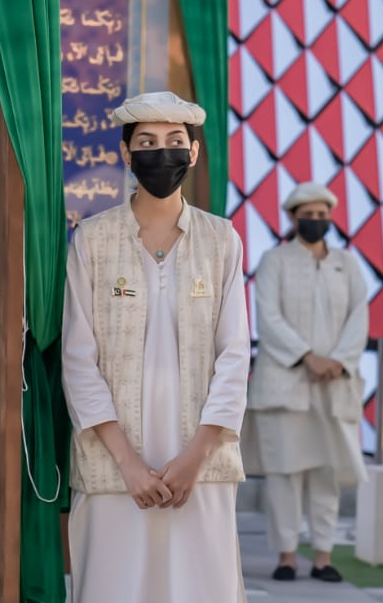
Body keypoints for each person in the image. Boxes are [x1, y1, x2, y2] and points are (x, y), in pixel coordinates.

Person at [61, 90, 249, 603]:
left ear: (192, 153)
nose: (159, 153)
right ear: (126, 154)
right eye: (146, 142)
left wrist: (195, 457)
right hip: (113, 466)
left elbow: (235, 357)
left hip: (201, 467)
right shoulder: (92, 240)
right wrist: (128, 464)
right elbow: (78, 361)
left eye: (173, 142)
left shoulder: (221, 239)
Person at [243, 182, 368, 583]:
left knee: (327, 475)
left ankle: (324, 557)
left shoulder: (347, 264)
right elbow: (268, 317)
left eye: (321, 215)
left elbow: (358, 317)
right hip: (285, 386)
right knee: (284, 475)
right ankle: (286, 557)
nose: (315, 222)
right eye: (307, 215)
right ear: (293, 218)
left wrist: (336, 361)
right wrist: (307, 357)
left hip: (333, 386)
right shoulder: (273, 260)